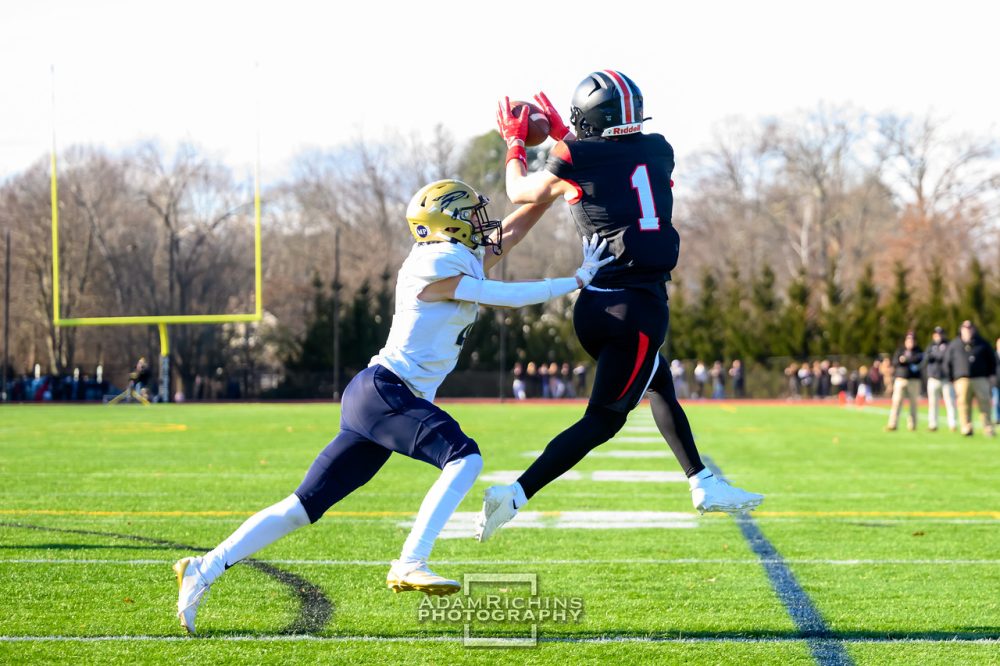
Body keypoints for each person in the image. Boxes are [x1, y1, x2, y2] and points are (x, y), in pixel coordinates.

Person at [172, 179, 613, 633]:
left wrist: (554, 188)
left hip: (379, 397)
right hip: (387, 391)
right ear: (448, 222)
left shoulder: (456, 254)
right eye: (471, 214)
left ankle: (204, 568)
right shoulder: (435, 261)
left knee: (301, 508)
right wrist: (578, 280)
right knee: (465, 459)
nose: (482, 222)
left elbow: (510, 234)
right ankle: (410, 561)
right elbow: (509, 296)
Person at [476, 71, 762, 541]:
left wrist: (516, 144)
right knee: (603, 421)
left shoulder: (576, 154)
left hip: (599, 305)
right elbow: (607, 165)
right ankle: (514, 495)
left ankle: (703, 482)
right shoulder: (658, 148)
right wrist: (560, 138)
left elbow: (523, 189)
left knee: (659, 381)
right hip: (636, 310)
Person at [946, 320, 996, 437]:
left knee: (984, 403)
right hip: (962, 379)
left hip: (980, 378)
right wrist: (951, 378)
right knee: (963, 404)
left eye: (970, 328)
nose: (968, 330)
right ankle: (966, 428)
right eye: (965, 328)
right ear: (961, 329)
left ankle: (988, 428)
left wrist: (991, 375)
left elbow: (992, 360)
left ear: (973, 329)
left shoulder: (982, 343)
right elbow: (947, 362)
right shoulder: (955, 344)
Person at [886, 331, 923, 431]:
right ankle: (892, 424)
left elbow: (918, 360)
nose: (910, 342)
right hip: (901, 379)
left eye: (912, 340)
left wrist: (906, 360)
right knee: (896, 402)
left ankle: (912, 425)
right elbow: (895, 362)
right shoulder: (900, 350)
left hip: (914, 381)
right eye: (908, 339)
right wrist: (904, 360)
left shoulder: (918, 351)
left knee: (913, 404)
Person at [924, 326, 957, 432]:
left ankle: (952, 424)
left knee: (950, 402)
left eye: (940, 334)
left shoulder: (948, 345)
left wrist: (936, 355)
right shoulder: (931, 346)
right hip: (933, 378)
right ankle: (933, 424)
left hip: (945, 379)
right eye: (936, 334)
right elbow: (926, 357)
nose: (938, 336)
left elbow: (945, 357)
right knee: (933, 403)